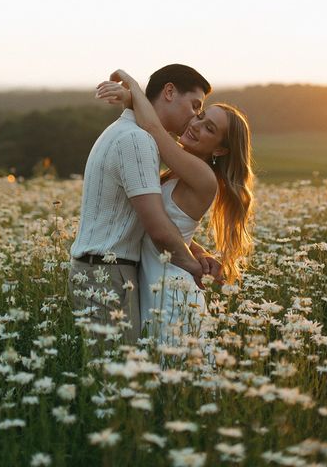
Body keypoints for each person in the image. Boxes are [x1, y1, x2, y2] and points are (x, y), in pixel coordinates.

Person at [96, 70, 254, 339]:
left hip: (172, 294)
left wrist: (133, 90)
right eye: (201, 116)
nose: (195, 124)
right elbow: (171, 226)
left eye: (209, 129)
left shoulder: (203, 176)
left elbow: (154, 128)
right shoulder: (180, 170)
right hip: (155, 288)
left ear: (220, 150)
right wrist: (199, 252)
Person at [69, 64, 219, 344]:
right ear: (170, 92)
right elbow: (159, 228)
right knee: (119, 379)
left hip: (108, 271)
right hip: (107, 274)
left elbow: (157, 218)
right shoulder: (138, 140)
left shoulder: (128, 133)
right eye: (194, 105)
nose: (194, 117)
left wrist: (196, 251)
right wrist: (196, 269)